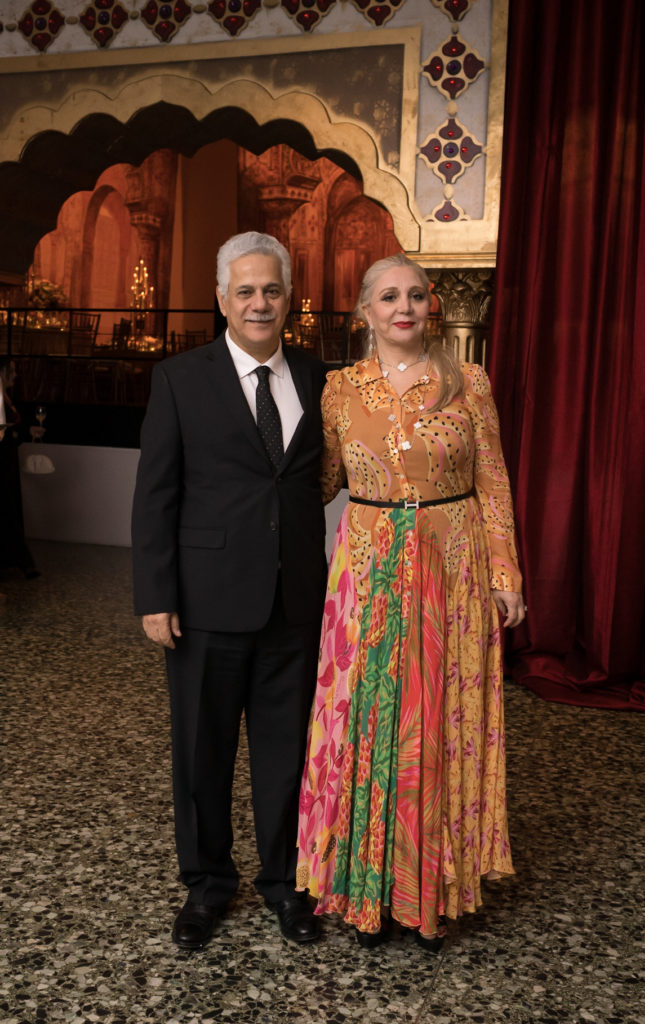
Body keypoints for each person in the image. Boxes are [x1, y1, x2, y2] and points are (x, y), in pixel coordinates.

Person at [296, 253, 524, 952]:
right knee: (369, 722)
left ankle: (429, 892)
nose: (406, 306)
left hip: (451, 572)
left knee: (433, 727)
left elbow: (492, 481)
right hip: (365, 576)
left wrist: (506, 575)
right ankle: (365, 890)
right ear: (363, 310)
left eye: (417, 295)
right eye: (389, 296)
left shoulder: (469, 382)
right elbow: (319, 481)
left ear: (431, 306)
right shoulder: (339, 391)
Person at [131, 232, 328, 949]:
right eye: (244, 290)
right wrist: (155, 595)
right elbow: (156, 494)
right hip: (206, 599)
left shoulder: (316, 375)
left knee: (287, 754)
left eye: (271, 290)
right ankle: (208, 885)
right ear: (221, 298)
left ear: (287, 299)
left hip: (297, 602)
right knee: (201, 753)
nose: (258, 303)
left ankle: (284, 883)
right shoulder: (180, 379)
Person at [0, 358, 39, 579]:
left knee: (10, 507)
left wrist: (26, 433)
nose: (15, 375)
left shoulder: (6, 398)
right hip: (3, 461)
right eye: (12, 371)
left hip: (9, 459)